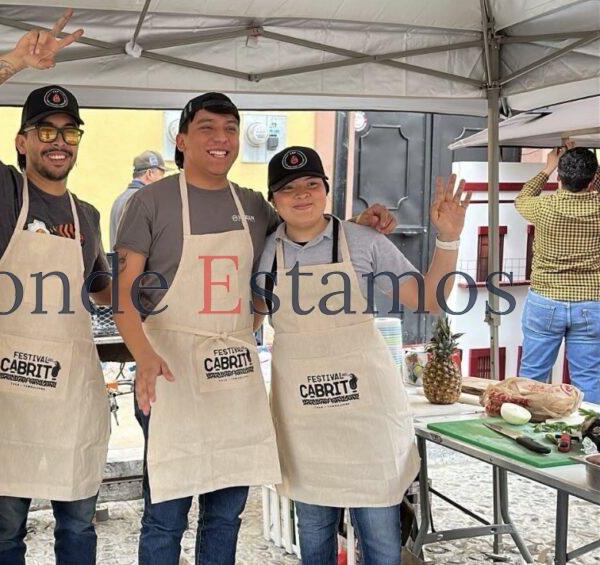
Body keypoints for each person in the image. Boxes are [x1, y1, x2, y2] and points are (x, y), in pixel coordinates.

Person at [113, 94, 398, 565]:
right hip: (169, 374)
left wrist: (357, 227)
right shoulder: (150, 202)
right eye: (207, 128)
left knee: (226, 515)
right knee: (165, 515)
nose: (221, 138)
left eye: (230, 128)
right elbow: (123, 295)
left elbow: (306, 228)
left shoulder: (251, 205)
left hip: (233, 374)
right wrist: (143, 356)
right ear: (181, 140)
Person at [0, 9, 112, 565]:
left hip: (72, 396)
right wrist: (17, 60)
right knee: (7, 530)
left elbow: (102, 292)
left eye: (69, 132)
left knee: (79, 527)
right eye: (46, 131)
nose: (59, 142)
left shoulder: (87, 215)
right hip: (12, 391)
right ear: (22, 140)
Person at [257, 146, 469, 565]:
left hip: (366, 415)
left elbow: (428, 298)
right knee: (313, 533)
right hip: (305, 420)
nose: (302, 195)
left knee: (379, 537)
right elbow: (249, 317)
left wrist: (449, 238)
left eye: (311, 184)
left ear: (326, 190)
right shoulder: (265, 253)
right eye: (288, 189)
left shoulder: (363, 241)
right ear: (273, 200)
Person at [515, 143, 600, 403]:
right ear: (593, 180)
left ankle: (527, 423)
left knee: (532, 376)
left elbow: (522, 198)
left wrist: (549, 167)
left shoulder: (544, 208)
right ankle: (591, 427)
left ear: (559, 179)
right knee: (588, 377)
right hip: (591, 302)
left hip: (545, 300)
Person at [110, 150, 166, 248]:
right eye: (161, 176)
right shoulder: (144, 201)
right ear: (149, 174)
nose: (163, 182)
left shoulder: (119, 199)